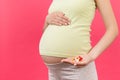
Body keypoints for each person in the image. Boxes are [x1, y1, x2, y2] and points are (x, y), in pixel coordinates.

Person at [39, 0, 119, 80]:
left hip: (76, 67)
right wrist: (47, 20)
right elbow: (47, 31)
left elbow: (113, 29)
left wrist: (91, 56)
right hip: (54, 70)